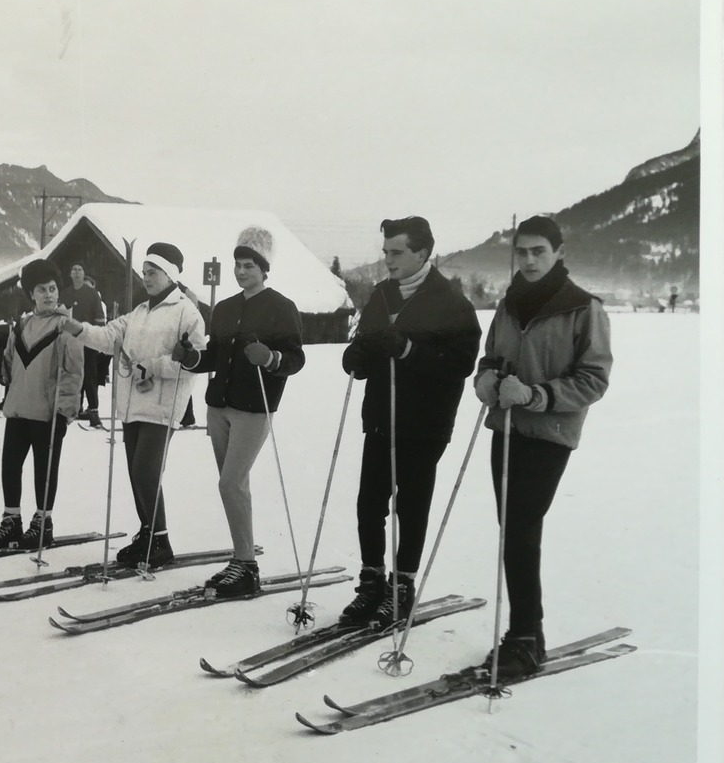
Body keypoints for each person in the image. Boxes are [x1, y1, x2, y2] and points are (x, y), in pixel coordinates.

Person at [474, 215, 612, 677]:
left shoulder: (583, 308)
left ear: (558, 253)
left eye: (539, 251)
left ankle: (527, 638)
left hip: (550, 434)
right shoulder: (508, 304)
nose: (529, 259)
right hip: (507, 428)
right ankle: (522, 634)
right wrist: (487, 378)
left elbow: (593, 380)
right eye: (522, 251)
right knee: (511, 529)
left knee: (520, 527)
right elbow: (490, 356)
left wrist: (535, 396)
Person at [338, 216, 481, 629]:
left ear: (423, 252)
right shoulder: (382, 295)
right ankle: (371, 583)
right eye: (385, 252)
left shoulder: (452, 303)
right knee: (370, 502)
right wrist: (357, 358)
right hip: (381, 416)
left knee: (410, 504)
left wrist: (408, 350)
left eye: (396, 252)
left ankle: (401, 586)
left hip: (424, 422)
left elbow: (460, 364)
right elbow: (363, 342)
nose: (387, 260)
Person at [173, 227, 305, 596]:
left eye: (249, 265)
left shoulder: (282, 307)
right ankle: (241, 560)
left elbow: (295, 358)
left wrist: (271, 358)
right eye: (238, 265)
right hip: (219, 407)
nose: (242, 271)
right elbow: (214, 355)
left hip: (254, 409)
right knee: (234, 486)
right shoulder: (226, 308)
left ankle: (247, 564)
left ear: (264, 269)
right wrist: (191, 358)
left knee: (230, 482)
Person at [60, 242, 206, 568]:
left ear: (170, 274)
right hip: (131, 403)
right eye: (144, 272)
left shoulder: (186, 312)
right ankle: (148, 534)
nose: (147, 277)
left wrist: (153, 366)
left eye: (152, 272)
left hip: (162, 404)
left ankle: (161, 541)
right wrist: (78, 329)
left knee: (146, 471)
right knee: (136, 474)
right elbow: (109, 336)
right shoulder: (139, 312)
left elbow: (194, 361)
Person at [0, 259, 85, 550]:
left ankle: (43, 524)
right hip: (17, 409)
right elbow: (6, 371)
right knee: (10, 466)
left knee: (44, 469)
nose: (49, 295)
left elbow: (73, 374)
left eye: (53, 288)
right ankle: (11, 522)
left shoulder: (67, 329)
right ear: (31, 294)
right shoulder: (21, 326)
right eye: (42, 289)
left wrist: (65, 412)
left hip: (47, 415)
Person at [59, 262, 107, 427]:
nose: (77, 272)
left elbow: (100, 318)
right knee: (71, 374)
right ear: (70, 274)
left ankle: (93, 411)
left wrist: (98, 338)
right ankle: (74, 409)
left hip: (87, 341)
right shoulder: (64, 294)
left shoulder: (93, 294)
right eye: (74, 269)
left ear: (83, 273)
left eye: (80, 269)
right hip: (69, 342)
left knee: (90, 376)